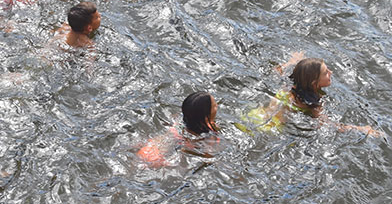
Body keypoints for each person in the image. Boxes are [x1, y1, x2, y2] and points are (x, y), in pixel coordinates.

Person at [238, 54, 380, 136]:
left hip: (253, 115)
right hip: (268, 129)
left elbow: (276, 71)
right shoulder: (312, 104)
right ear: (314, 83)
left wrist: (291, 62)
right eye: (326, 72)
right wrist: (362, 130)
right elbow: (330, 125)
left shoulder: (288, 85)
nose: (331, 72)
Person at [138, 92, 220, 167]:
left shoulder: (179, 122)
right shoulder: (209, 138)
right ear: (206, 118)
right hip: (156, 163)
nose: (217, 106)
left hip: (147, 150)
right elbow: (208, 159)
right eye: (215, 106)